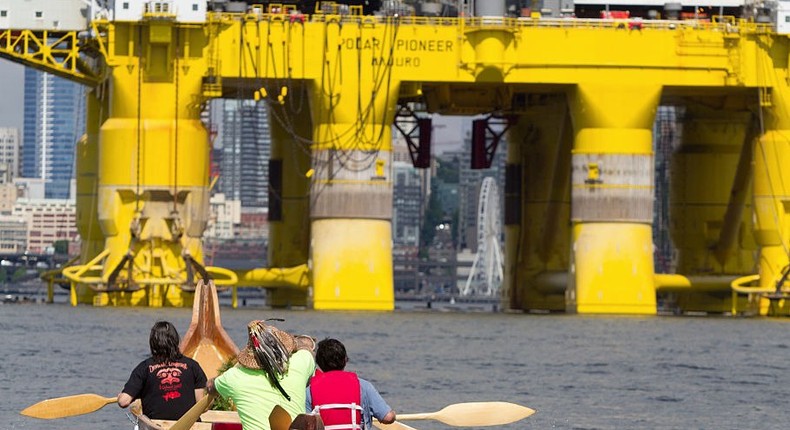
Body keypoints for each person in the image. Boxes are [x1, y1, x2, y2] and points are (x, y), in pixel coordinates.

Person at [206, 319, 317, 430]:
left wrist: (219, 380)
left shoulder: (233, 376)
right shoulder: (301, 361)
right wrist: (294, 342)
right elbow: (308, 346)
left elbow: (210, 387)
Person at [118, 321, 207, 420]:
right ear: (176, 340)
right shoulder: (193, 366)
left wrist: (121, 396)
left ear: (153, 343)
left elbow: (123, 402)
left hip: (157, 424)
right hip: (189, 425)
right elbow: (202, 405)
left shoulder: (144, 368)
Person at [307, 338, 396, 430]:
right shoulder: (363, 386)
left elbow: (306, 423)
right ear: (345, 360)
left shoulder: (309, 390)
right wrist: (393, 414)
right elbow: (388, 418)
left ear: (319, 363)